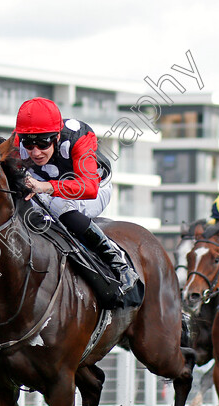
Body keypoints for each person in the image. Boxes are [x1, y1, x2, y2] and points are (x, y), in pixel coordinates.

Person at [14, 97, 138, 294]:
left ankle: (117, 262)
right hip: (48, 186)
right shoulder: (19, 140)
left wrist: (45, 187)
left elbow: (89, 188)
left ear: (56, 137)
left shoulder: (79, 137)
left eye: (42, 143)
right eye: (28, 144)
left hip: (93, 189)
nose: (35, 152)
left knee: (57, 205)